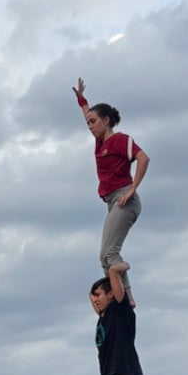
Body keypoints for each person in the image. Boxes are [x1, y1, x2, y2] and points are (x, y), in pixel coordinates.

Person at [72, 78, 149, 279]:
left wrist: (133, 188)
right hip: (112, 201)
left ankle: (123, 295)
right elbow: (88, 115)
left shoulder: (119, 140)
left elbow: (143, 158)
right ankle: (125, 297)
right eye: (88, 122)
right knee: (105, 258)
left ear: (106, 121)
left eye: (93, 122)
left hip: (124, 198)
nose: (89, 126)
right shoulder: (100, 142)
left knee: (110, 254)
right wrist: (82, 100)